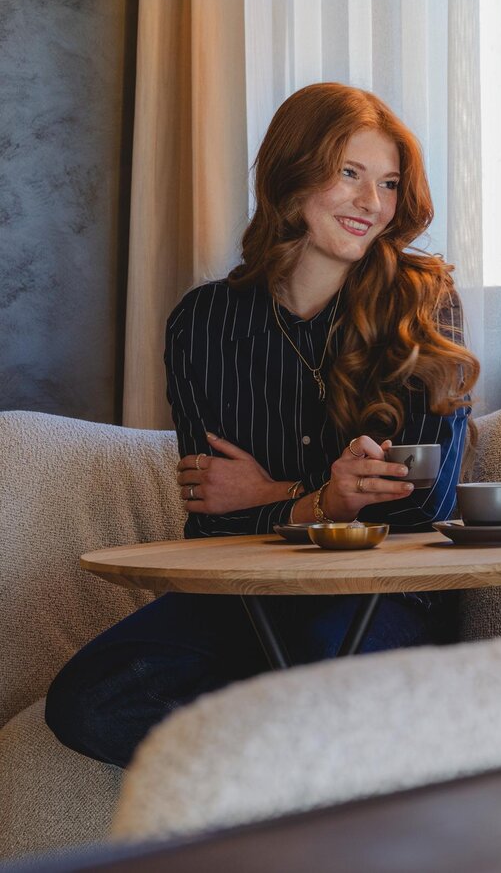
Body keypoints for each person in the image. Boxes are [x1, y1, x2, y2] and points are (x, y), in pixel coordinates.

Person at [45, 83, 479, 767]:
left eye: (389, 183)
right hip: (244, 598)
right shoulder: (203, 322)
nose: (372, 202)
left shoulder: (423, 301)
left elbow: (419, 503)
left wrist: (274, 495)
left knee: (317, 673)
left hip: (383, 597)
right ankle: (288, 759)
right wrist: (325, 500)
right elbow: (213, 519)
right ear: (293, 173)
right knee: (87, 700)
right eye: (349, 173)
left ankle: (267, 760)